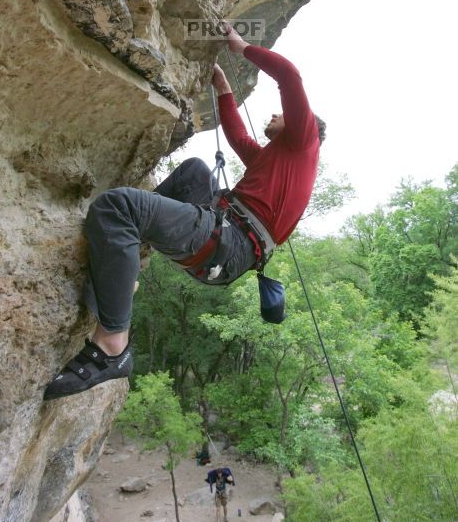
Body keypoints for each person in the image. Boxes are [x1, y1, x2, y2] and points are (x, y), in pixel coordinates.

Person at [44, 24, 324, 400]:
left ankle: (113, 345)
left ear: (306, 126)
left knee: (118, 206)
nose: (275, 114)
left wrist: (241, 48)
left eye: (282, 114)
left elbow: (289, 77)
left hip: (229, 242)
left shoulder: (304, 142)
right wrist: (223, 87)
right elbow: (239, 138)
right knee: (194, 169)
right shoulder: (274, 159)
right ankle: (126, 266)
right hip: (229, 236)